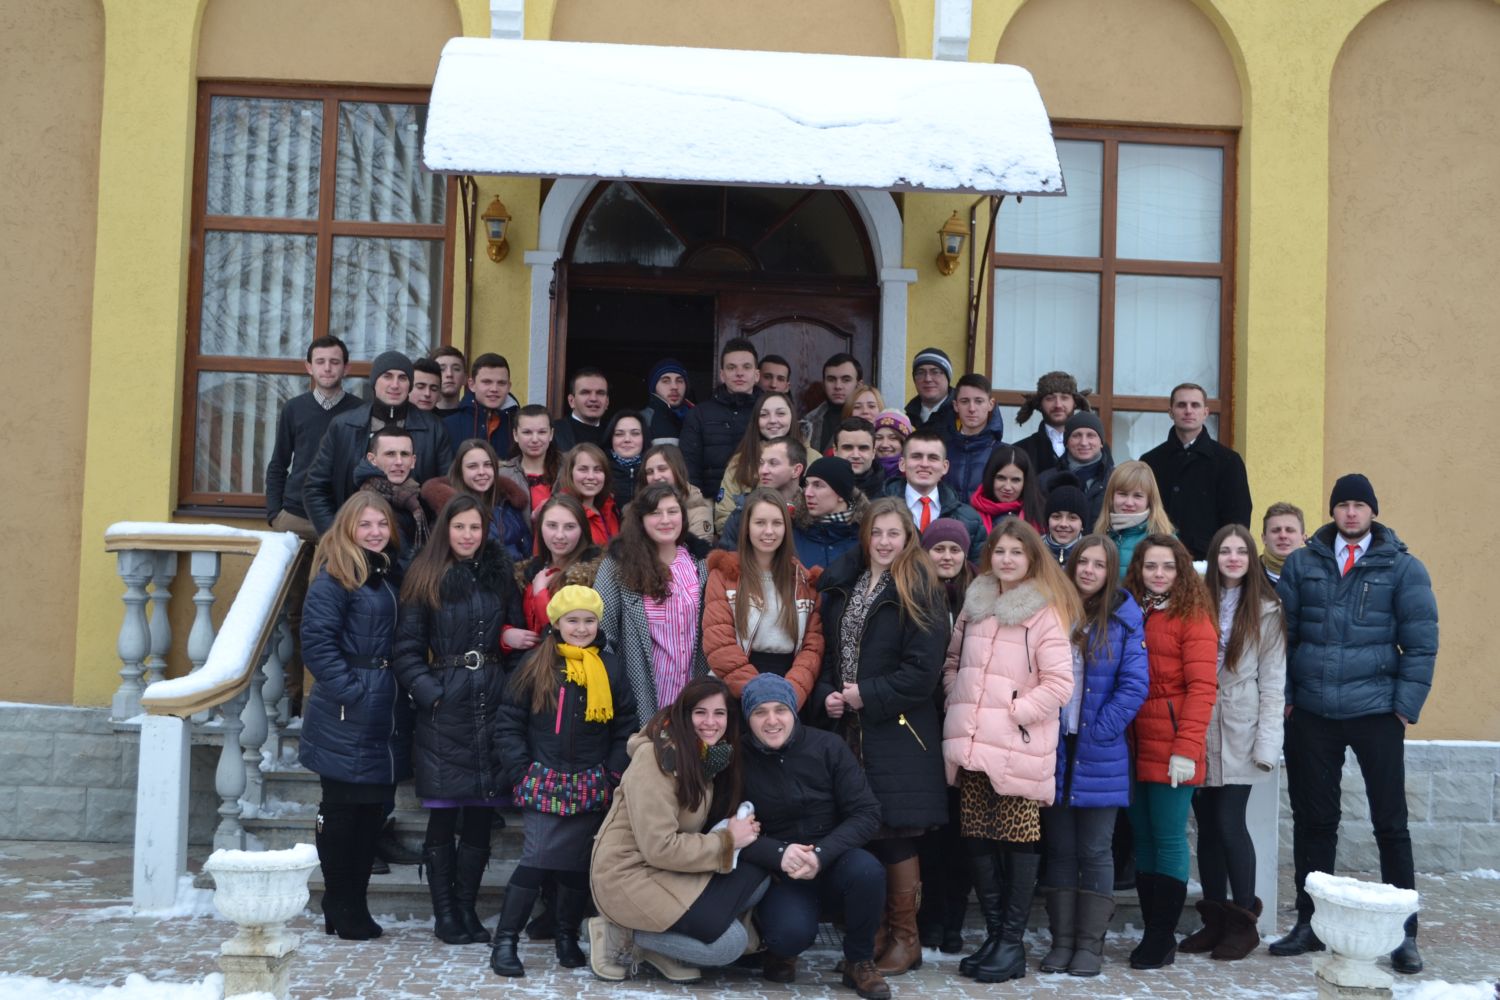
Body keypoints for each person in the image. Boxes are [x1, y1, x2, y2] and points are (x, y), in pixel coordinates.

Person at [1270, 474, 1437, 974]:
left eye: (1359, 505)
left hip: (1376, 712)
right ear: (1332, 511)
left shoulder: (1403, 568)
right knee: (1314, 822)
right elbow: (1284, 637)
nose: (1350, 512)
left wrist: (1403, 706)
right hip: (1313, 713)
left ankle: (1403, 934)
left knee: (1391, 823)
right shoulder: (1303, 563)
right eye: (1342, 504)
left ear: (1372, 512)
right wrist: (1289, 700)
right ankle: (1310, 924)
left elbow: (1421, 642)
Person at [817, 497, 951, 978]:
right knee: (862, 835)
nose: (884, 542)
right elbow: (830, 654)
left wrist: (865, 696)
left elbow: (922, 673)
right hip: (849, 730)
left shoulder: (920, 588)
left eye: (894, 533)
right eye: (877, 532)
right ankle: (871, 937)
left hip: (898, 731)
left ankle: (905, 939)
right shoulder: (846, 582)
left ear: (909, 537)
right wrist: (830, 695)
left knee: (895, 836)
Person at [942, 519, 1079, 983]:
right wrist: (957, 698)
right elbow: (953, 661)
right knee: (978, 839)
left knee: (1017, 839)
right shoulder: (975, 603)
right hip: (973, 744)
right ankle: (996, 935)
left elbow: (1059, 684)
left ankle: (1012, 943)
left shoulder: (1043, 611)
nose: (1006, 560)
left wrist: (1015, 712)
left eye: (1016, 553)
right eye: (1000, 551)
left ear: (1032, 558)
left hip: (1018, 745)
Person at [392, 495, 532, 946]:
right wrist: (431, 694)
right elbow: (406, 650)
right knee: (443, 812)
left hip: (491, 698)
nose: (468, 535)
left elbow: (516, 638)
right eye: (459, 527)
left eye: (475, 527)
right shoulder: (425, 574)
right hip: (446, 704)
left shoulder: (499, 574)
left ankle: (467, 908)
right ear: (445, 530)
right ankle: (445, 913)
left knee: (480, 813)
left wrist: (510, 690)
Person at [490, 586, 637, 977]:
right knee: (537, 858)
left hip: (592, 780)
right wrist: (521, 770)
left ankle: (566, 935)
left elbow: (625, 725)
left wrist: (612, 773)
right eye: (573, 621)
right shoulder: (535, 664)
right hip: (542, 777)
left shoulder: (610, 667)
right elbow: (509, 722)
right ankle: (505, 940)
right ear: (556, 623)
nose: (581, 628)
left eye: (589, 620)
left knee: (575, 865)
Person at [588, 677, 766, 984]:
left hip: (664, 871)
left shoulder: (703, 756)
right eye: (700, 712)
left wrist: (737, 830)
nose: (710, 722)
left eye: (719, 713)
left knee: (757, 878)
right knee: (729, 944)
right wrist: (727, 840)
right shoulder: (656, 759)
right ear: (684, 714)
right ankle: (622, 934)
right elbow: (659, 847)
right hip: (628, 877)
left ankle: (667, 943)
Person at [298, 492, 411, 940]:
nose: (375, 532)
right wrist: (352, 691)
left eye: (381, 524)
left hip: (385, 709)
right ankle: (339, 901)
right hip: (348, 710)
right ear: (347, 528)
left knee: (372, 812)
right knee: (342, 811)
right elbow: (317, 644)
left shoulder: (388, 573)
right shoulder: (335, 577)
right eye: (365, 525)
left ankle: (354, 902)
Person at [738, 674, 892, 1000]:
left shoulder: (828, 746)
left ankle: (859, 960)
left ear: (793, 712)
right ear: (748, 718)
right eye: (760, 712)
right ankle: (782, 950)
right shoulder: (738, 760)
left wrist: (821, 854)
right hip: (783, 871)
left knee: (868, 871)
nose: (771, 721)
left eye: (780, 710)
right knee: (788, 936)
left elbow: (867, 812)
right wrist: (778, 853)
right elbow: (726, 829)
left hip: (835, 858)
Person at [1038, 535, 1148, 977]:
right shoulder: (1054, 611)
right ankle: (1062, 942)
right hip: (1055, 746)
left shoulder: (1123, 618)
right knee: (1060, 849)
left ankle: (1089, 945)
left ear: (1111, 571)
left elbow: (1134, 684)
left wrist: (1100, 731)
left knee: (1095, 849)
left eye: (1099, 565)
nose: (1088, 570)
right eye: (1083, 561)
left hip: (1100, 749)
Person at [1180, 525, 1286, 962]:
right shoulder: (1195, 601)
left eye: (1242, 551)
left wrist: (1267, 746)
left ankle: (1243, 923)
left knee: (1229, 821)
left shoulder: (1266, 609)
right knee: (1206, 824)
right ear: (1214, 556)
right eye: (1225, 550)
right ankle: (1214, 921)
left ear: (1251, 557)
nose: (1233, 558)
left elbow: (1274, 682)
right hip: (1199, 723)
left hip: (1241, 726)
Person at [1121, 534, 1218, 970]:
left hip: (1173, 741)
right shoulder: (1132, 611)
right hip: (1134, 739)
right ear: (1138, 570)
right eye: (1150, 566)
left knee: (1168, 836)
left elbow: (1202, 688)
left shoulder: (1192, 615)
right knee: (1142, 838)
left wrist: (1186, 748)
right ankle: (1150, 930)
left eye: (1167, 566)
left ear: (1181, 571)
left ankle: (1163, 936)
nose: (1158, 574)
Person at [266, 334, 362, 713]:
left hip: (338, 521)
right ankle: (292, 696)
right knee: (292, 611)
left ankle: (329, 697)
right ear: (308, 367)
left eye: (334, 361)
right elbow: (279, 463)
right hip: (294, 517)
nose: (327, 368)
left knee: (337, 609)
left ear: (346, 367)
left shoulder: (359, 411)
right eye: (320, 361)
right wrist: (274, 513)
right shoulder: (295, 409)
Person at [594, 482, 711, 725]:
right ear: (641, 520)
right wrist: (616, 691)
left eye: (672, 511)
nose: (665, 520)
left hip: (693, 698)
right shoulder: (618, 565)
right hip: (642, 699)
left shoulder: (701, 563)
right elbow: (602, 633)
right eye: (655, 513)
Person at [305, 350, 453, 536]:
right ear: (374, 382)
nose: (395, 384)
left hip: (414, 542)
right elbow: (315, 488)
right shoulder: (343, 426)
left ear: (410, 385)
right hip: (353, 537)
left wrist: (431, 542)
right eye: (387, 376)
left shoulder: (434, 429)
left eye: (402, 378)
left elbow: (446, 490)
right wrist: (336, 536)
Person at [703, 489, 824, 706]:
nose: (769, 531)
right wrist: (759, 694)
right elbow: (719, 645)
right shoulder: (725, 575)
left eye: (777, 523)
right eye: (760, 523)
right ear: (747, 527)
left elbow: (812, 649)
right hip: (738, 686)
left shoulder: (803, 581)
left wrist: (789, 695)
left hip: (789, 686)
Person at [916, 516, 975, 955]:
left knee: (961, 831)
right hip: (924, 723)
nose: (947, 556)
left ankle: (954, 919)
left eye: (955, 549)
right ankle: (929, 917)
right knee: (930, 830)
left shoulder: (980, 596)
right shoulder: (915, 594)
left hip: (969, 725)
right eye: (939, 548)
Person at [1141, 383, 1252, 560]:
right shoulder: (1150, 461)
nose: (1188, 411)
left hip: (1208, 562)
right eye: (1181, 405)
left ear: (1205, 412)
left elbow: (1238, 520)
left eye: (1195, 405)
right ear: (1171, 412)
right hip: (1160, 558)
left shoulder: (1228, 461)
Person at [881, 428, 986, 562]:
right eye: (916, 456)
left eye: (933, 458)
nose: (924, 464)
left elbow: (977, 569)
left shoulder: (970, 519)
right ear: (902, 464)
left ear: (945, 467)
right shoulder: (878, 512)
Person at [420, 439, 531, 563]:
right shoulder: (450, 511)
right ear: (460, 471)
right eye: (472, 466)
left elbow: (527, 550)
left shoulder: (508, 503)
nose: (482, 472)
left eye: (488, 465)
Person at [681, 337, 761, 494]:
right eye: (731, 368)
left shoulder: (769, 413)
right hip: (710, 503)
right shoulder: (699, 415)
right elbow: (689, 468)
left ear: (757, 375)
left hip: (762, 502)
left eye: (746, 367)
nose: (739, 373)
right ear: (722, 375)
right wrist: (699, 504)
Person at [516, 494, 605, 634]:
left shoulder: (597, 575)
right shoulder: (527, 571)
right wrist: (506, 633)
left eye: (569, 527)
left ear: (582, 530)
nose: (559, 535)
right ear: (540, 527)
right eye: (552, 525)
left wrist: (540, 593)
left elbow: (568, 635)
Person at [714, 391, 800, 533]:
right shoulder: (740, 462)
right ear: (755, 421)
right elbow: (723, 519)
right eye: (764, 415)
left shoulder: (813, 458)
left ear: (792, 417)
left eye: (780, 413)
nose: (772, 420)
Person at [717, 437, 806, 551]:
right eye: (761, 463)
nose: (763, 470)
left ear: (796, 470)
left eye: (773, 463)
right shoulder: (742, 512)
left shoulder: (813, 514)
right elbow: (727, 558)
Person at [1095, 460, 1175, 581]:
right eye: (1123, 494)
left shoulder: (1166, 540)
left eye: (1137, 496)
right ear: (1111, 497)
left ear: (1150, 500)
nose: (1129, 503)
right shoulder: (1100, 535)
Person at [354, 428, 427, 559]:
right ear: (372, 459)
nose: (399, 461)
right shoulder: (363, 504)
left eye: (404, 454)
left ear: (413, 461)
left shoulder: (419, 499)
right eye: (390, 454)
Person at [1039, 410, 1114, 527]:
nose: (1084, 442)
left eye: (1091, 435)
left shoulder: (1115, 479)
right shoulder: (1045, 480)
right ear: (1066, 442)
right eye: (1076, 435)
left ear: (1101, 442)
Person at [1013, 371, 1094, 477]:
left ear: (1075, 402)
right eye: (1050, 399)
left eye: (1064, 397)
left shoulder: (1095, 449)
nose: (1058, 405)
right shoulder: (1020, 451)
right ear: (1039, 404)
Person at [792, 456, 864, 571]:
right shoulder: (793, 531)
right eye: (806, 484)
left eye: (817, 485)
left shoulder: (866, 534)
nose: (807, 493)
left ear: (841, 494)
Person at [442, 353, 518, 460]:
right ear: (472, 384)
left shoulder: (520, 424)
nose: (494, 389)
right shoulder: (448, 425)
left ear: (509, 386)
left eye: (501, 383)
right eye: (487, 382)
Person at [944, 374, 1005, 498]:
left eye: (979, 401)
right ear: (956, 406)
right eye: (965, 401)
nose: (972, 408)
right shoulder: (942, 451)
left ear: (991, 404)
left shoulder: (1004, 454)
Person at [638, 443, 715, 543]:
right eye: (650, 472)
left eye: (662, 469)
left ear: (677, 470)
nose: (656, 477)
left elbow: (699, 551)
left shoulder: (697, 511)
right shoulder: (637, 508)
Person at [498, 404, 560, 516]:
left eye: (542, 432)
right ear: (515, 435)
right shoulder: (503, 476)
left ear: (551, 434)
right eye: (527, 432)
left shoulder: (567, 471)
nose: (535, 439)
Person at [969, 444, 1045, 535]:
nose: (1007, 487)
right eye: (1001, 478)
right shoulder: (970, 515)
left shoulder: (1041, 513)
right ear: (990, 478)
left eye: (1015, 480)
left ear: (1025, 482)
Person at [556, 443, 619, 544]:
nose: (591, 476)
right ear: (570, 473)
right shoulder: (557, 512)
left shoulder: (609, 509)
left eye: (598, 470)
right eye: (583, 469)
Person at [801, 353, 863, 455]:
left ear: (859, 385)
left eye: (846, 380)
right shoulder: (808, 421)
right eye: (831, 379)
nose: (838, 386)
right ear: (824, 383)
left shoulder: (869, 419)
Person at [552, 368, 610, 453]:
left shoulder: (615, 433)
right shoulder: (553, 433)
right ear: (571, 401)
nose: (593, 399)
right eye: (585, 392)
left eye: (600, 393)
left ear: (607, 402)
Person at [1041, 473, 1089, 567]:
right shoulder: (1033, 550)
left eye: (1072, 518)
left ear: (1082, 525)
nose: (1063, 524)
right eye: (1056, 517)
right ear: (1048, 521)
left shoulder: (1092, 553)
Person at [904, 347, 956, 432]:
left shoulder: (962, 415)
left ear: (948, 377)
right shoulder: (907, 420)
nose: (928, 379)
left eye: (935, 372)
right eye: (921, 373)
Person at [604, 411, 647, 513]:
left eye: (635, 433)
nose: (627, 439)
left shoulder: (655, 471)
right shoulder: (599, 469)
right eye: (619, 434)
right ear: (611, 438)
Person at [643, 358, 692, 446]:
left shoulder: (696, 417)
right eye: (666, 381)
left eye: (679, 381)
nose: (674, 387)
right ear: (653, 387)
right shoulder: (644, 420)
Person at [834, 417, 885, 498]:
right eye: (848, 447)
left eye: (863, 448)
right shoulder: (819, 488)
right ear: (835, 451)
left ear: (873, 452)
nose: (856, 455)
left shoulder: (890, 491)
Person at [1260, 501, 1306, 584]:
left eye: (1290, 530)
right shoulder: (1246, 576)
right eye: (1275, 530)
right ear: (1264, 538)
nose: (1283, 535)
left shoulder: (1320, 576)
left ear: (1303, 538)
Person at [871, 410, 912, 481]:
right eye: (879, 438)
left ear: (904, 443)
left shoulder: (913, 475)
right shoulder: (862, 471)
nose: (884, 445)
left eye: (893, 438)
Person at [432, 345, 467, 413]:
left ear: (465, 378)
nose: (449, 374)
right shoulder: (418, 416)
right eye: (441, 369)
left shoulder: (475, 417)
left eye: (456, 369)